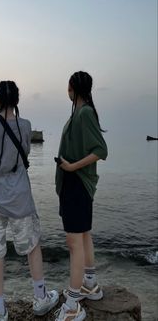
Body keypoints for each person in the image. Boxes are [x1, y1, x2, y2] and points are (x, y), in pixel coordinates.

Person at [0, 80, 59, 321]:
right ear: (17, 101)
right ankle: (40, 298)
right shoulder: (25, 126)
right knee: (32, 246)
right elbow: (23, 152)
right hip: (20, 197)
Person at [54, 71, 108, 321]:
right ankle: (90, 283)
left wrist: (73, 167)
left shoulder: (84, 112)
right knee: (84, 235)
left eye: (68, 86)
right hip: (76, 184)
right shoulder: (80, 111)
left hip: (77, 184)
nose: (66, 90)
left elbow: (101, 150)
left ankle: (73, 305)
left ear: (73, 88)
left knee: (73, 243)